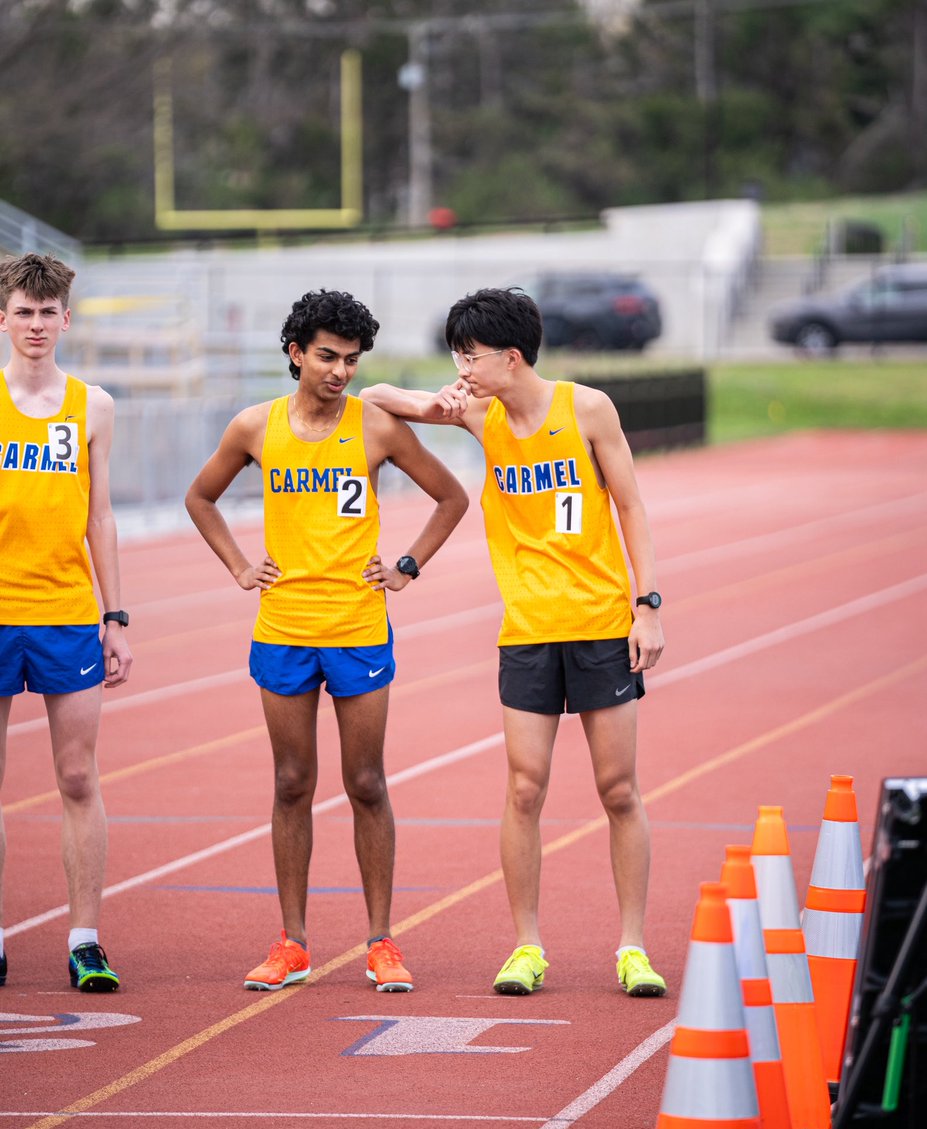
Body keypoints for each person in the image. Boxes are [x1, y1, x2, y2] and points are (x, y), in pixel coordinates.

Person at [361, 287, 667, 997]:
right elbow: (376, 396)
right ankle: (526, 946)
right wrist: (436, 405)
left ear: (511, 355)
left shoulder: (586, 408)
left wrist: (645, 607)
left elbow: (629, 506)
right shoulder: (475, 411)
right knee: (524, 787)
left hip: (597, 624)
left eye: (470, 356)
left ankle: (631, 948)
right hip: (526, 630)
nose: (461, 368)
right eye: (454, 356)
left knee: (617, 789)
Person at [186, 289, 468, 993]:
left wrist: (405, 566)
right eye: (326, 357)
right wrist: (239, 566)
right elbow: (201, 497)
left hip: (357, 628)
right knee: (291, 784)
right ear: (294, 353)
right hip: (282, 629)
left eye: (350, 359)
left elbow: (452, 497)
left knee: (366, 782)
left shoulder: (375, 429)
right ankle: (292, 942)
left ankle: (380, 942)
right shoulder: (256, 427)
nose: (340, 371)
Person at [0, 252, 133, 993]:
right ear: (3, 317)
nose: (37, 324)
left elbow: (100, 516)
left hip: (65, 615)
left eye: (49, 313)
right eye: (24, 311)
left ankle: (85, 939)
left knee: (78, 776)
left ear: (66, 319)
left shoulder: (94, 405)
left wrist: (115, 616)